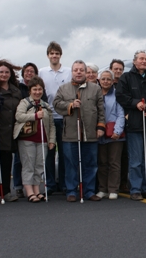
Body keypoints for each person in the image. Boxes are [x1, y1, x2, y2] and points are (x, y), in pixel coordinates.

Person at [53, 60, 106, 202]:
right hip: (71, 134)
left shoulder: (95, 88)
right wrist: (70, 105)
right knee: (71, 164)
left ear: (85, 72)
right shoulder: (63, 88)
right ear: (72, 72)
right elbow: (56, 104)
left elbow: (101, 109)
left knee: (90, 164)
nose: (78, 72)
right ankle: (71, 191)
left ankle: (89, 191)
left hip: (90, 134)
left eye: (81, 70)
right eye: (76, 70)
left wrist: (101, 126)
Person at [116, 51, 146, 201]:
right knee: (136, 160)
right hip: (135, 125)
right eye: (141, 59)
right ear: (135, 61)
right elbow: (121, 95)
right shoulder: (126, 78)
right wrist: (135, 103)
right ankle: (135, 189)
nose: (144, 61)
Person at [14, 76, 56, 203]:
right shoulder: (24, 102)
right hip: (27, 139)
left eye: (40, 89)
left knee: (39, 166)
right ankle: (29, 191)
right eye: (35, 89)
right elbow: (19, 116)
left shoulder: (46, 105)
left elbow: (51, 125)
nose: (37, 92)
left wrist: (52, 140)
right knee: (28, 165)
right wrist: (35, 116)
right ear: (30, 90)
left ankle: (37, 190)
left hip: (42, 140)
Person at [38, 41, 72, 194]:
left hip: (64, 116)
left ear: (60, 55)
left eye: (57, 53)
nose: (54, 56)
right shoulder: (42, 72)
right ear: (48, 55)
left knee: (65, 153)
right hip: (48, 117)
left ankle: (64, 183)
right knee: (49, 152)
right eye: (52, 53)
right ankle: (50, 184)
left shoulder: (68, 71)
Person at [0, 60, 22, 203]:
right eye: (1, 72)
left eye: (7, 72)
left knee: (7, 163)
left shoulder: (16, 91)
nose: (4, 74)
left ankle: (6, 191)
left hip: (10, 132)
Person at [96, 70, 125, 200]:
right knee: (102, 162)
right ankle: (102, 189)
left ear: (113, 81)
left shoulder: (117, 94)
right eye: (103, 79)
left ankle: (113, 189)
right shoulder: (95, 94)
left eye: (108, 79)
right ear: (99, 80)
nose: (106, 81)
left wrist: (117, 131)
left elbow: (121, 114)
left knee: (114, 163)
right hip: (99, 133)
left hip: (114, 133)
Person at [109, 59, 129, 193]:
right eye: (115, 69)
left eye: (120, 69)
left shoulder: (125, 85)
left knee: (124, 156)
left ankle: (123, 182)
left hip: (125, 123)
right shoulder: (105, 85)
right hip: (109, 124)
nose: (118, 71)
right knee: (107, 157)